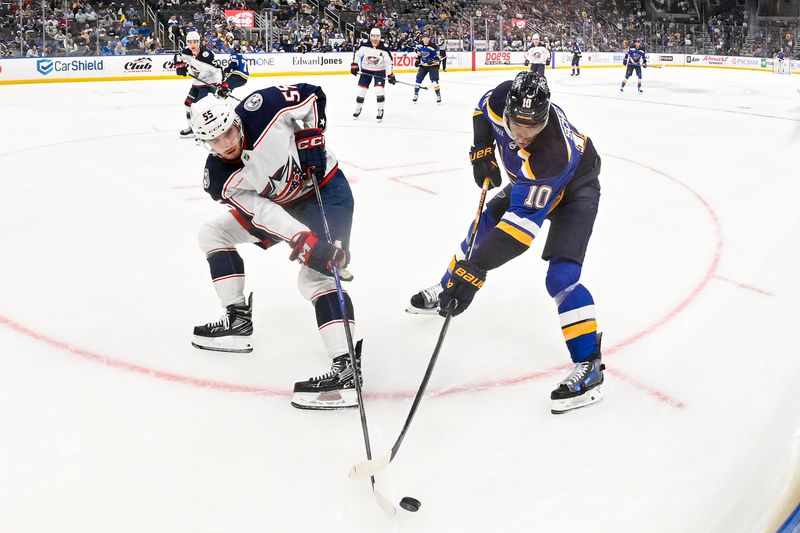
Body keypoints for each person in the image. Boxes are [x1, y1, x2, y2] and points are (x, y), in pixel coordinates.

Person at [407, 72, 605, 415]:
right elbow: (481, 109)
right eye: (517, 125)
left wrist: (475, 272)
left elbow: (517, 233)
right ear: (509, 110)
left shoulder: (551, 154)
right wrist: (482, 149)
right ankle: (445, 286)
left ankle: (590, 365)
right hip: (529, 183)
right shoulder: (502, 98)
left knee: (561, 278)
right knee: (478, 232)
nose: (524, 135)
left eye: (534, 127)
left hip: (575, 189)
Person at [189, 85, 363, 410]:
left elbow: (312, 95)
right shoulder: (218, 178)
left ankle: (347, 368)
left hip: (324, 192)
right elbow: (263, 212)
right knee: (213, 234)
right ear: (203, 142)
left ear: (235, 121)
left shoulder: (264, 107)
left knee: (317, 277)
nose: (226, 144)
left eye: (228, 132)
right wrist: (301, 238)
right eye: (215, 140)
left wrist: (312, 133)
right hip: (281, 209)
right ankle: (237, 320)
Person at [174, 30, 221, 138]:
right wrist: (179, 65)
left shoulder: (207, 55)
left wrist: (219, 84)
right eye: (190, 42)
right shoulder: (186, 52)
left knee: (200, 108)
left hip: (208, 84)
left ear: (199, 42)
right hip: (196, 83)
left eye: (195, 42)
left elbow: (218, 70)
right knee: (188, 104)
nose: (192, 44)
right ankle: (192, 129)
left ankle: (207, 129)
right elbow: (178, 56)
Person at [350, 27, 396, 122]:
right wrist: (354, 64)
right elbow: (357, 54)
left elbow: (389, 63)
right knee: (361, 91)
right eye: (373, 36)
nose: (375, 39)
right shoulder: (364, 44)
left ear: (380, 37)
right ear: (370, 36)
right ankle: (358, 108)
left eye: (377, 36)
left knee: (379, 90)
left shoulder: (384, 48)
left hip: (380, 71)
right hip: (366, 71)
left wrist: (390, 75)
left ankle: (380, 110)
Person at [413, 33, 443, 103]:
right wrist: (417, 60)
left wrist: (432, 60)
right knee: (418, 80)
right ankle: (415, 94)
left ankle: (438, 95)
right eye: (424, 38)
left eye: (427, 38)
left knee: (434, 81)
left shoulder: (434, 46)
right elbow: (419, 54)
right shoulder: (419, 45)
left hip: (433, 65)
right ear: (422, 38)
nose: (425, 39)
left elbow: (439, 57)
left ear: (429, 38)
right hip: (423, 65)